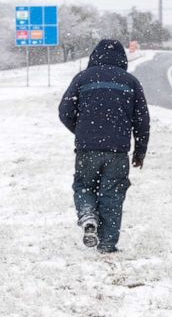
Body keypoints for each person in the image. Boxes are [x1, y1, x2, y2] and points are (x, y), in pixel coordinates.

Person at [58, 39, 149, 253]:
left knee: (84, 186)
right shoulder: (130, 82)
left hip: (87, 149)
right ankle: (108, 244)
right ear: (122, 59)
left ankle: (88, 215)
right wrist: (140, 151)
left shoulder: (82, 78)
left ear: (94, 56)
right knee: (113, 194)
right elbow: (142, 120)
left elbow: (64, 111)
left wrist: (82, 132)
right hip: (117, 151)